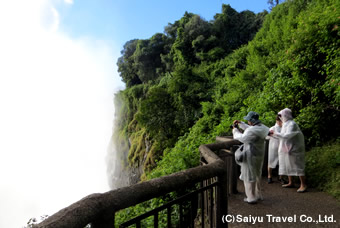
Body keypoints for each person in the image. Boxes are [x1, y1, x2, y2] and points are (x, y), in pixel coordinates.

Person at [232, 111, 269, 204]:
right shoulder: (263, 128)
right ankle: (257, 194)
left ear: (251, 121)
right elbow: (251, 129)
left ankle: (251, 197)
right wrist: (241, 124)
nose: (248, 122)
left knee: (248, 176)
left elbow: (242, 138)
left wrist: (235, 130)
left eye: (248, 120)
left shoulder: (251, 131)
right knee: (256, 174)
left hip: (250, 155)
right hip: (259, 155)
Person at [270, 108, 307, 193]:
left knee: (297, 166)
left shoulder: (292, 124)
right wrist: (272, 135)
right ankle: (291, 182)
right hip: (287, 149)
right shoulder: (285, 124)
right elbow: (281, 136)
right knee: (288, 165)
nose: (280, 117)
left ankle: (303, 184)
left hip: (294, 149)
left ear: (285, 115)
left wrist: (275, 133)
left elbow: (287, 136)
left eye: (281, 115)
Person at [267, 115, 285, 184]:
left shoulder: (284, 128)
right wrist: (270, 134)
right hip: (273, 147)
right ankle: (269, 176)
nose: (280, 122)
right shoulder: (273, 128)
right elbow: (266, 137)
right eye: (279, 121)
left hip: (282, 146)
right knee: (271, 161)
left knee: (282, 162)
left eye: (281, 121)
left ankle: (281, 177)